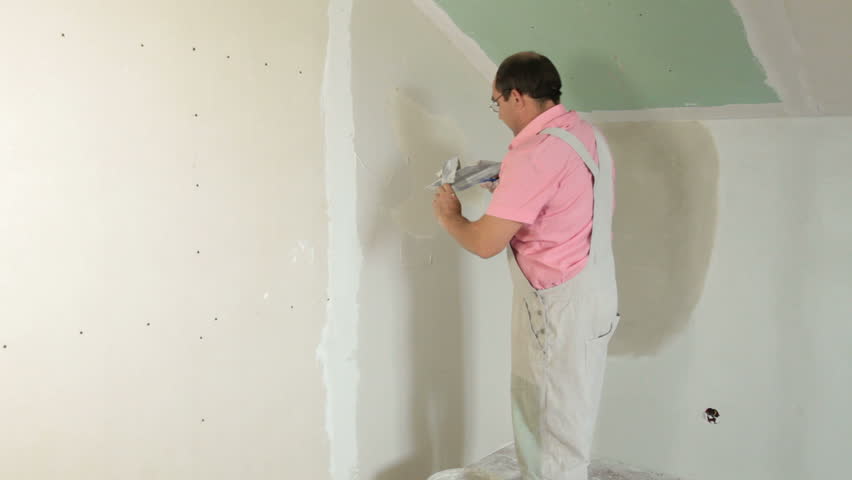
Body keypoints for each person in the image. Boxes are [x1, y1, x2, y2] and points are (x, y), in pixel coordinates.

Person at [432, 51, 619, 480]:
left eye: (496, 102)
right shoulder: (582, 132)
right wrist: (513, 187)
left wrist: (450, 215)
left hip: (557, 309)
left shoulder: (534, 154)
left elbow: (484, 243)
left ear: (517, 96)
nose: (498, 113)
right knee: (569, 416)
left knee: (550, 427)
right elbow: (565, 193)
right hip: (593, 294)